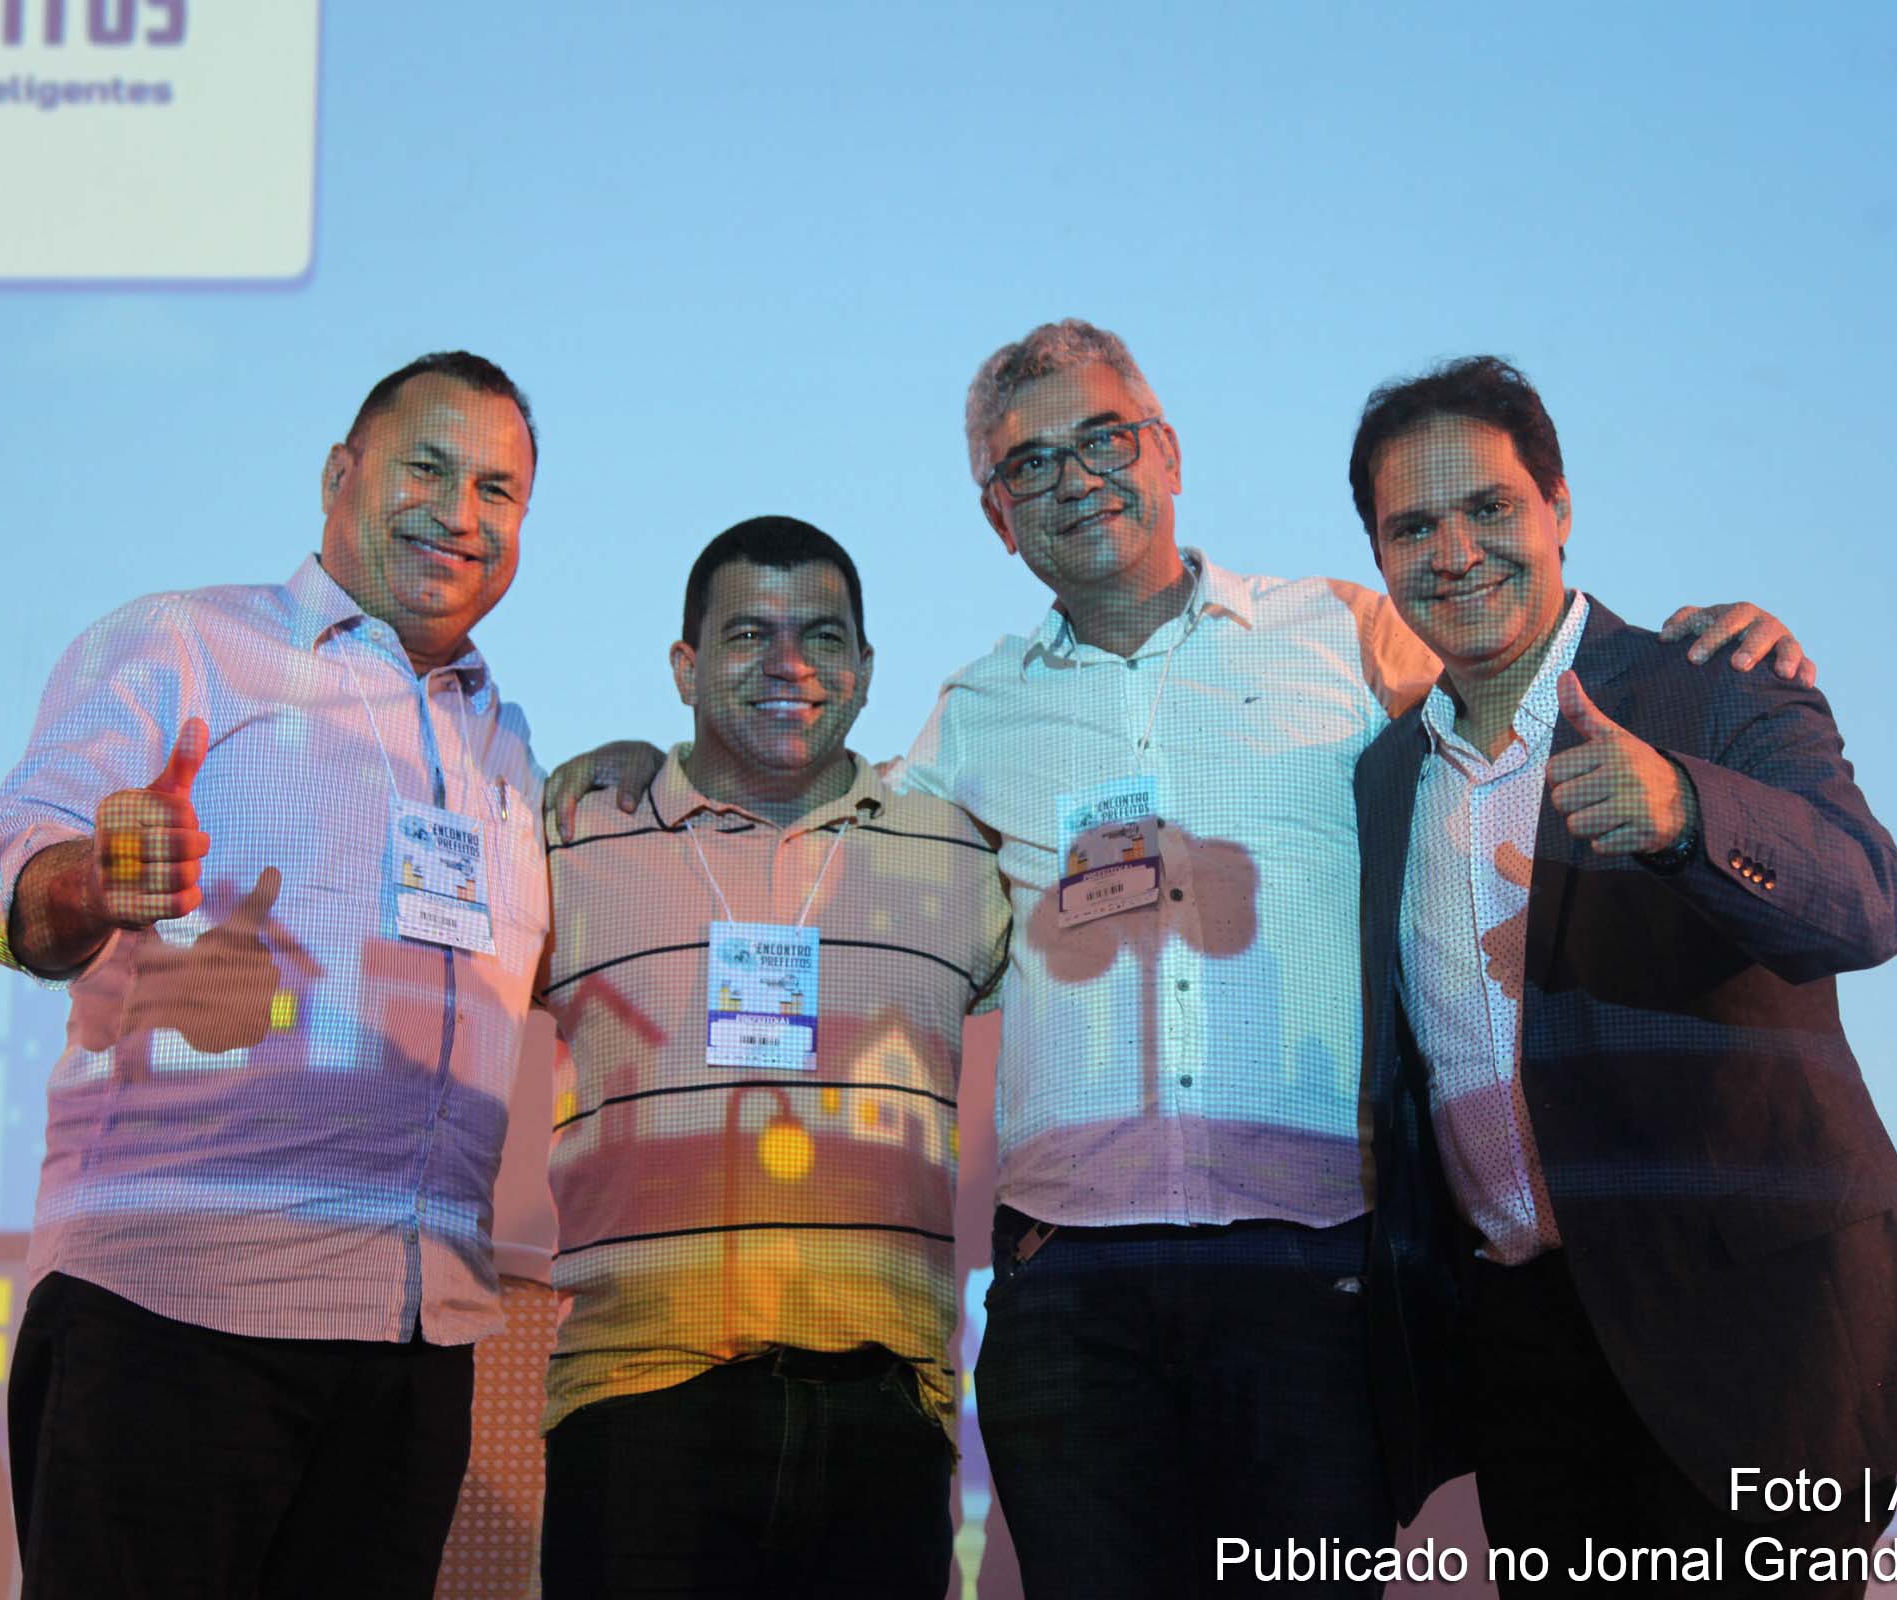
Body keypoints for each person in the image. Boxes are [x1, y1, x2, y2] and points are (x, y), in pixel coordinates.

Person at [548, 320, 1809, 1596]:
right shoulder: (972, 715)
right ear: (997, 517)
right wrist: (642, 763)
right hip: (1070, 1303)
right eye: (1028, 463)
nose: (1075, 478)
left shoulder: (1345, 635)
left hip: (1314, 1279)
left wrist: (1684, 651)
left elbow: (1524, 669)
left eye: (1105, 439)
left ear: (1170, 453)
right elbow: (818, 804)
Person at [1348, 355, 1897, 1594]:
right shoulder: (1385, 778)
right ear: (1378, 556)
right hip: (1528, 1350)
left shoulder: (1710, 681)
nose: (1457, 550)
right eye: (1412, 525)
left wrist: (1688, 813)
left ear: (1560, 507)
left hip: (1754, 1339)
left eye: (1491, 507)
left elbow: (1869, 898)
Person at [0, 351, 548, 1600]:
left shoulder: (506, 742)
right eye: (428, 467)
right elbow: (5, 875)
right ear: (341, 475)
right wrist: (97, 881)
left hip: (409, 1335)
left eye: (498, 490)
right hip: (178, 1311)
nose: (460, 512)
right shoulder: (188, 643)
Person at [536, 515, 1011, 1598]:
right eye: (749, 633)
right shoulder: (573, 834)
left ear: (865, 668)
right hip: (635, 1405)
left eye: (825, 636)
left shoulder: (954, 855)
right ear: (685, 667)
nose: (791, 665)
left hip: (885, 1412)